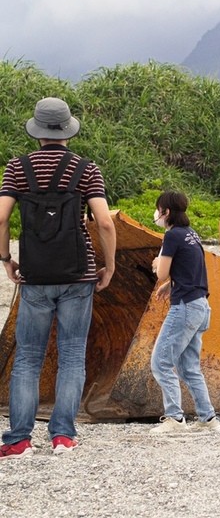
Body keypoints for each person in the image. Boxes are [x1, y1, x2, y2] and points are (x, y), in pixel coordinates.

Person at [0, 97, 117, 459]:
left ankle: (19, 439)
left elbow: (1, 218)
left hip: (34, 275)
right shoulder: (86, 169)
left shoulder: (17, 169)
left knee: (28, 358)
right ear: (68, 130)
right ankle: (62, 437)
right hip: (78, 275)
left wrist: (6, 259)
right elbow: (105, 222)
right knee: (70, 355)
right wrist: (109, 266)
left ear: (37, 131)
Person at [149, 190, 220, 434]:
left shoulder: (171, 236)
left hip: (184, 308)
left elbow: (162, 272)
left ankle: (175, 418)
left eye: (158, 208)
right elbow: (191, 269)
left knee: (160, 362)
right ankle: (208, 419)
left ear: (166, 212)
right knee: (188, 367)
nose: (156, 213)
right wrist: (170, 286)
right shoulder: (192, 234)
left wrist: (158, 265)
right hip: (201, 306)